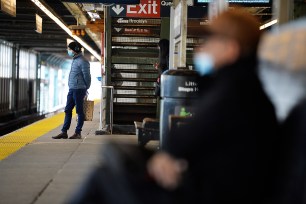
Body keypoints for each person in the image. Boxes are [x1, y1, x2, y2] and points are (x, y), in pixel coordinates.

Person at [147, 8, 278, 204]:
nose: (201, 48)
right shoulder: (245, 86)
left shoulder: (235, 91)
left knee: (109, 176)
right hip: (219, 186)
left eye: (210, 40)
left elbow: (182, 140)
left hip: (218, 194)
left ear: (230, 49)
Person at [52, 41, 91, 139]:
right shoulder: (75, 60)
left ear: (75, 50)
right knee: (67, 110)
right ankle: (64, 132)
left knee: (79, 111)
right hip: (72, 89)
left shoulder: (83, 61)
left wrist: (86, 87)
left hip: (79, 90)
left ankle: (78, 133)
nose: (68, 51)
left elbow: (87, 76)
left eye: (69, 49)